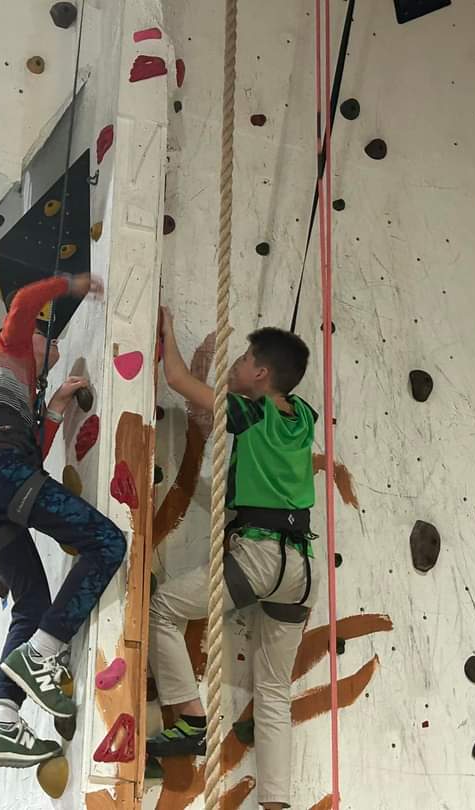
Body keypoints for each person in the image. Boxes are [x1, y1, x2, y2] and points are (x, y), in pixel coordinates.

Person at [0, 272, 127, 768]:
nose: (49, 339)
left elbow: (30, 458)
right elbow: (24, 301)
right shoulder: (7, 349)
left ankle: (3, 720)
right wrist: (71, 284)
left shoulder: (3, 388)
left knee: (30, 604)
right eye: (42, 334)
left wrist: (53, 409)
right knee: (107, 542)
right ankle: (41, 653)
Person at [147, 308, 319, 810]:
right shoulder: (303, 416)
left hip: (260, 556)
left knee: (163, 607)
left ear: (261, 373)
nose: (236, 364)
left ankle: (191, 718)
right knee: (273, 691)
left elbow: (178, 380)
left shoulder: (252, 413)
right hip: (301, 568)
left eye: (244, 359)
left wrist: (167, 332)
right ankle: (277, 804)